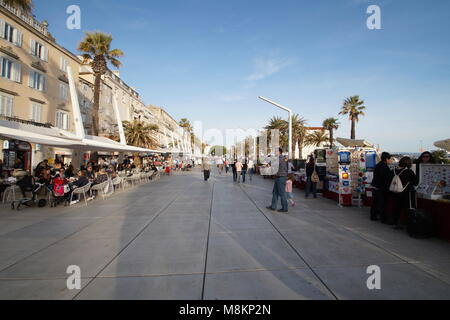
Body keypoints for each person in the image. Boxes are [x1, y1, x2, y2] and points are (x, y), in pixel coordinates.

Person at [392, 157, 419, 230]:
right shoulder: (409, 172)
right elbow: (415, 183)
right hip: (407, 193)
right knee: (408, 209)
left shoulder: (394, 170)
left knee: (397, 208)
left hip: (396, 192)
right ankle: (410, 225)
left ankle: (395, 223)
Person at [370, 152, 394, 223]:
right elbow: (385, 178)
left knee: (375, 203)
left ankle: (373, 216)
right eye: (391, 159)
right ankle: (383, 219)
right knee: (382, 204)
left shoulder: (378, 165)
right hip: (381, 188)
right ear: (387, 159)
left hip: (375, 186)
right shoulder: (384, 167)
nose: (391, 161)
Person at [266, 148, 289, 213]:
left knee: (282, 193)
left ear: (279, 152)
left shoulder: (281, 158)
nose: (274, 152)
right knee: (275, 192)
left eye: (275, 151)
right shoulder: (278, 158)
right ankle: (273, 206)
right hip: (278, 177)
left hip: (281, 177)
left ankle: (285, 208)